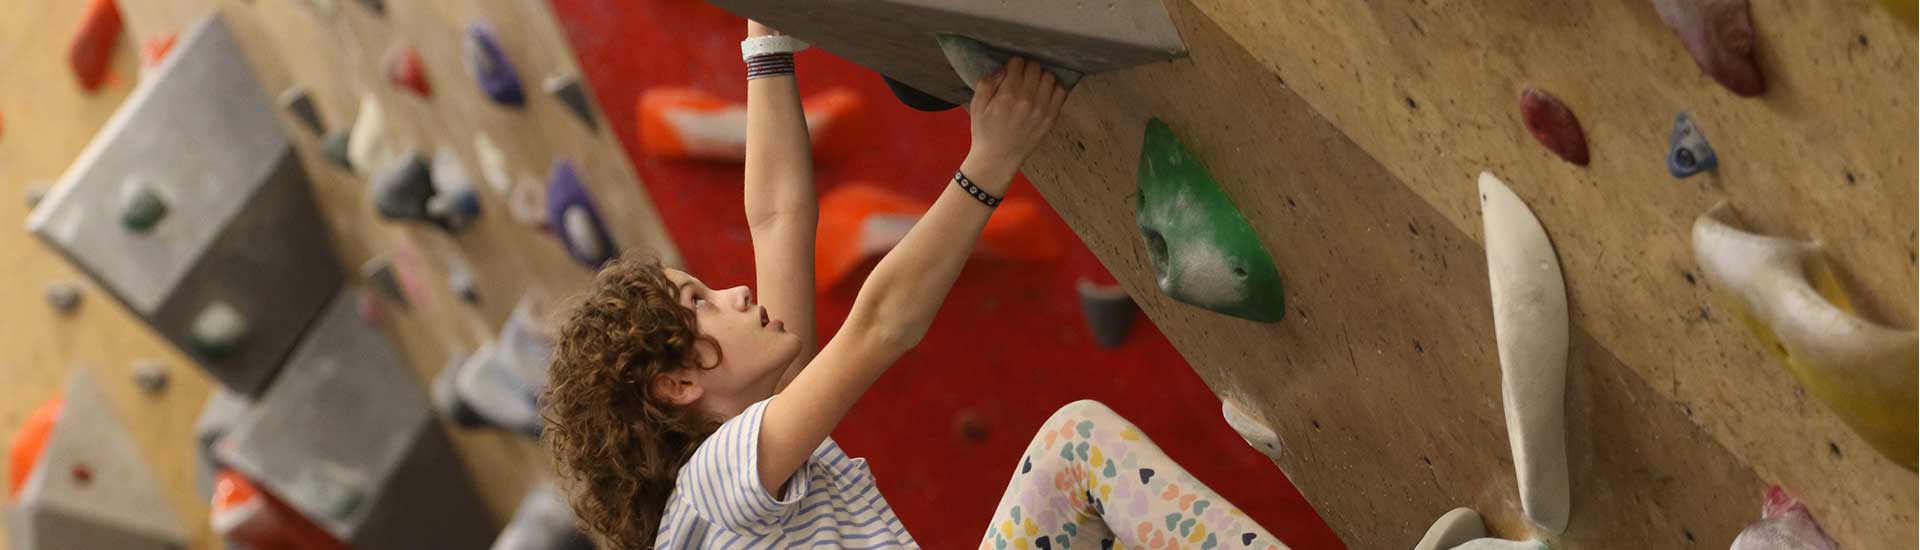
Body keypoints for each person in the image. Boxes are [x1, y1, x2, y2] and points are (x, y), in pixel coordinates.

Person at [542, 20, 1294, 550]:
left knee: (1078, 472)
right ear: (677, 384)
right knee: (1078, 448)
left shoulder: (741, 479)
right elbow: (879, 327)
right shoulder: (717, 480)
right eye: (702, 305)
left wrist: (766, 42)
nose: (736, 293)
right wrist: (990, 159)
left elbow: (777, 220)